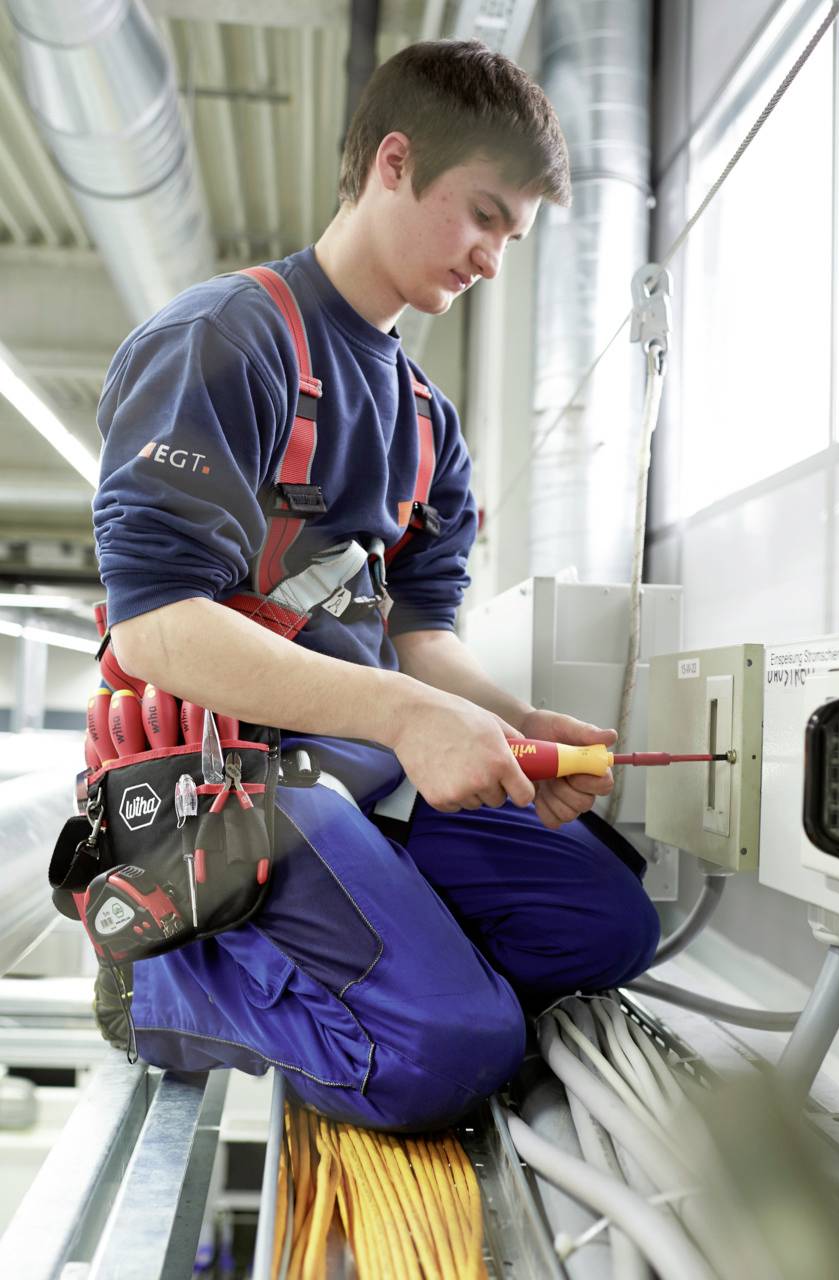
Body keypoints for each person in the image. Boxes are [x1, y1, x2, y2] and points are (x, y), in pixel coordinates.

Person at [92, 39, 659, 1131]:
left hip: (364, 777)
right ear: (394, 162)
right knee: (458, 1051)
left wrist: (511, 724)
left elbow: (420, 634)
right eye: (483, 215)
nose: (495, 259)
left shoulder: (425, 424)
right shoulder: (226, 343)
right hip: (230, 786)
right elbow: (160, 625)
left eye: (515, 235)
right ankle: (162, 982)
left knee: (607, 928)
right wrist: (411, 720)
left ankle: (384, 947)